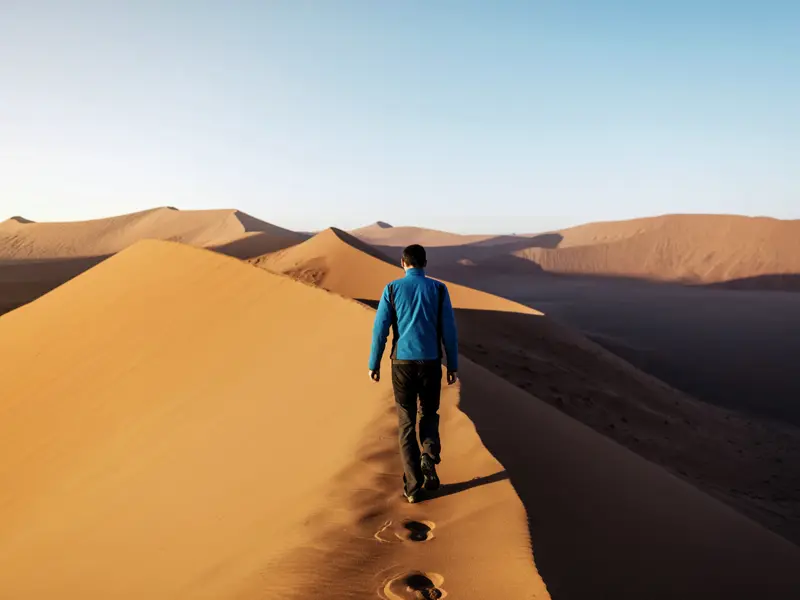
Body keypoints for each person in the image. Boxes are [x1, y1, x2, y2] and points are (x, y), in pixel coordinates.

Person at [368, 244, 459, 503]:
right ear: (425, 263)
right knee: (429, 413)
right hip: (430, 363)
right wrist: (452, 365)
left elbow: (380, 330)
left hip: (402, 366)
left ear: (402, 263)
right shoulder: (439, 290)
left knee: (406, 424)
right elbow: (449, 331)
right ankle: (429, 455)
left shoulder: (392, 289)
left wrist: (373, 363)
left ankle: (412, 486)